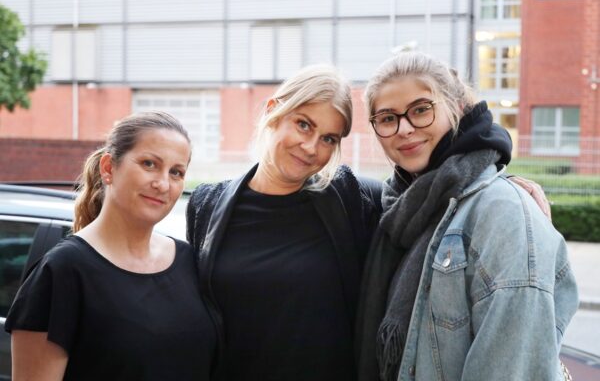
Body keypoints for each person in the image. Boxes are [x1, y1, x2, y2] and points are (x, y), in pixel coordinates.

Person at [186, 64, 549, 381]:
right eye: (303, 124)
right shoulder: (207, 205)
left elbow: (427, 199)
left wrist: (497, 183)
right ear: (273, 111)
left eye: (328, 138)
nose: (311, 147)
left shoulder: (350, 199)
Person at [355, 51, 579, 381]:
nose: (404, 128)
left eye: (421, 109)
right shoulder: (395, 207)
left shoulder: (503, 213)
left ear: (457, 107)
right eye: (388, 118)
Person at [5, 112, 216, 381]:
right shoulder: (62, 271)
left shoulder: (189, 260)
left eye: (176, 172)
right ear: (108, 168)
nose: (163, 184)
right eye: (149, 164)